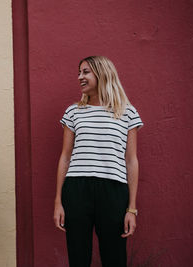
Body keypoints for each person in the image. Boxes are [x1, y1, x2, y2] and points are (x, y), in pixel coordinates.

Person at [53, 56, 143, 267]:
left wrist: (131, 208)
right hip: (76, 188)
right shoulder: (73, 112)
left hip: (114, 190)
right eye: (79, 72)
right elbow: (65, 156)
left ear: (102, 73)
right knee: (78, 257)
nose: (80, 77)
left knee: (115, 257)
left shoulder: (127, 112)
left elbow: (131, 160)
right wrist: (58, 201)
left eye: (85, 72)